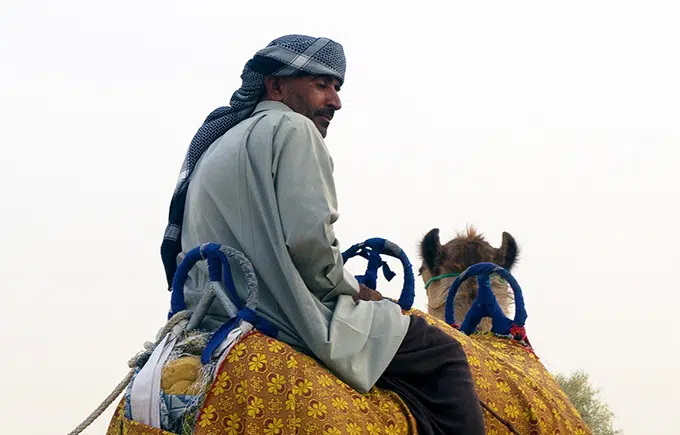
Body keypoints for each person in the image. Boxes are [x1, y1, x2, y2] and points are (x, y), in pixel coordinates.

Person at [160, 34, 485, 435]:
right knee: (444, 354)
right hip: (282, 316)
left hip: (210, 315)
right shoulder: (292, 129)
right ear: (275, 85)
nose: (335, 101)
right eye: (321, 85)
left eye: (337, 87)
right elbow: (311, 248)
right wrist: (357, 290)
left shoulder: (219, 144)